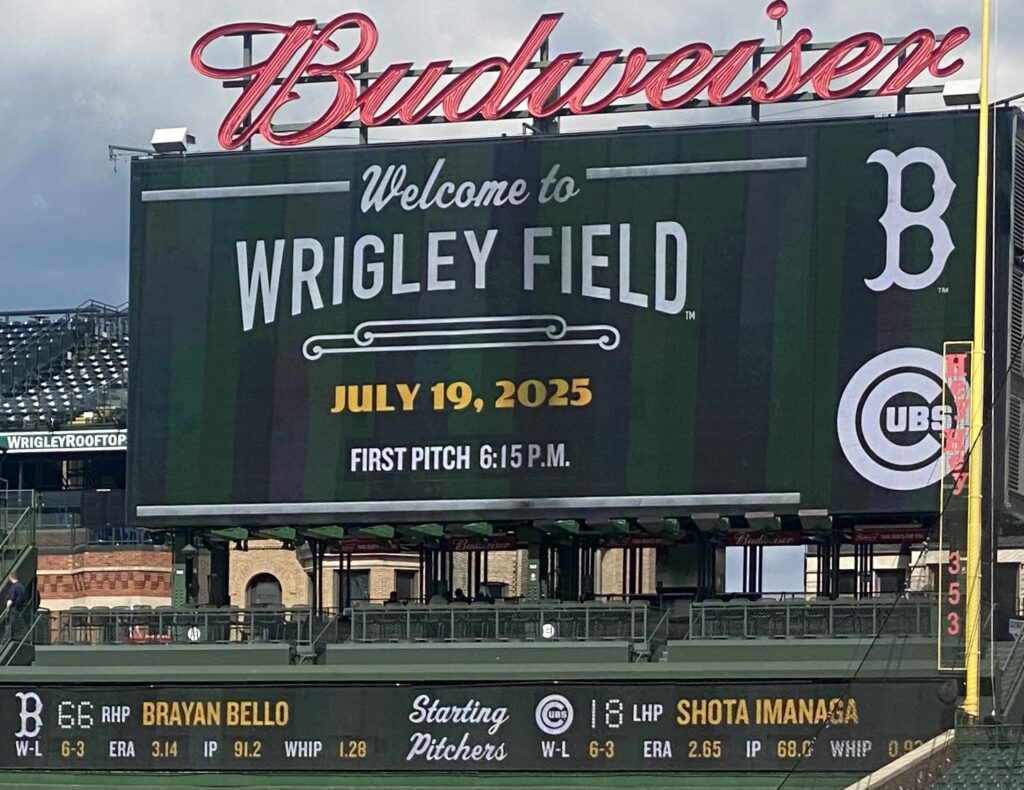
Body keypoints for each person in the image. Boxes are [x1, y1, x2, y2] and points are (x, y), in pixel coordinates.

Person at [4, 573, 27, 641]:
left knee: (10, 624)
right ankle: (18, 638)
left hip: (14, 609)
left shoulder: (13, 587)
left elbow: (11, 599)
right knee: (18, 624)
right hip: (21, 608)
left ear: (11, 577)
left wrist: (7, 609)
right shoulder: (22, 586)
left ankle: (6, 640)